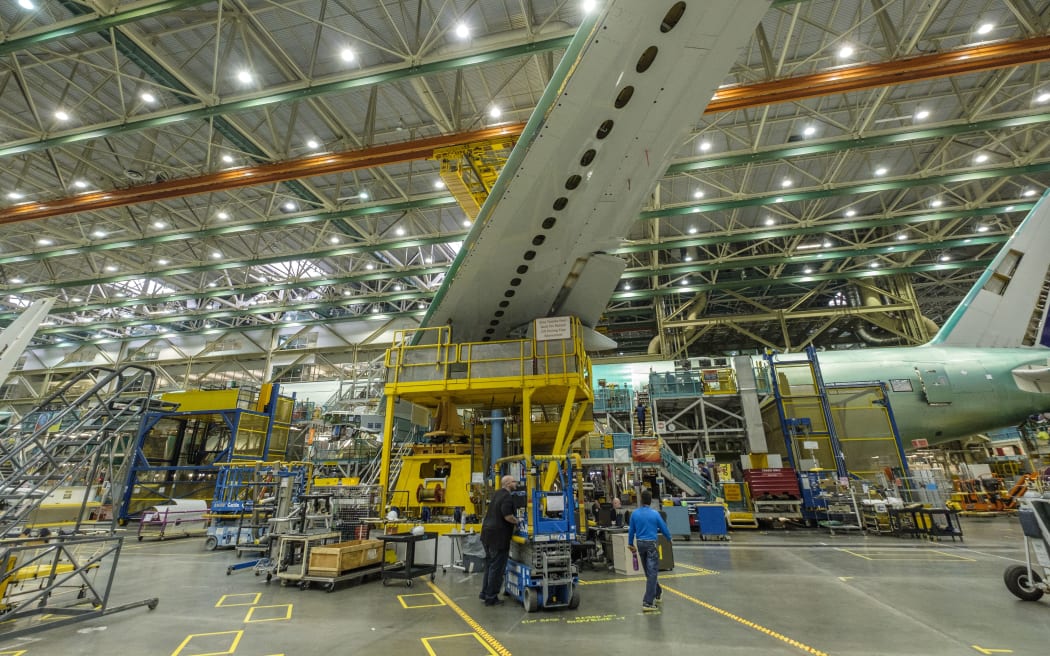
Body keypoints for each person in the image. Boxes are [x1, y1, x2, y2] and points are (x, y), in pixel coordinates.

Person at [628, 488, 672, 612]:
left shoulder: (635, 514)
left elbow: (631, 530)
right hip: (651, 545)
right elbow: (664, 528)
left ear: (641, 500)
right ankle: (647, 602)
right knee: (652, 573)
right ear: (650, 501)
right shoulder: (655, 514)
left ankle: (658, 592)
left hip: (640, 544)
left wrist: (630, 544)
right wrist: (669, 538)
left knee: (649, 573)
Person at [479, 475, 519, 606]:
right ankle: (491, 597)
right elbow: (507, 516)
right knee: (497, 569)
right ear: (508, 484)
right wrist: (518, 522)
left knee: (490, 566)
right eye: (514, 481)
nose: (516, 483)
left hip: (487, 535)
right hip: (498, 538)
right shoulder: (507, 497)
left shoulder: (497, 494)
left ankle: (485, 593)